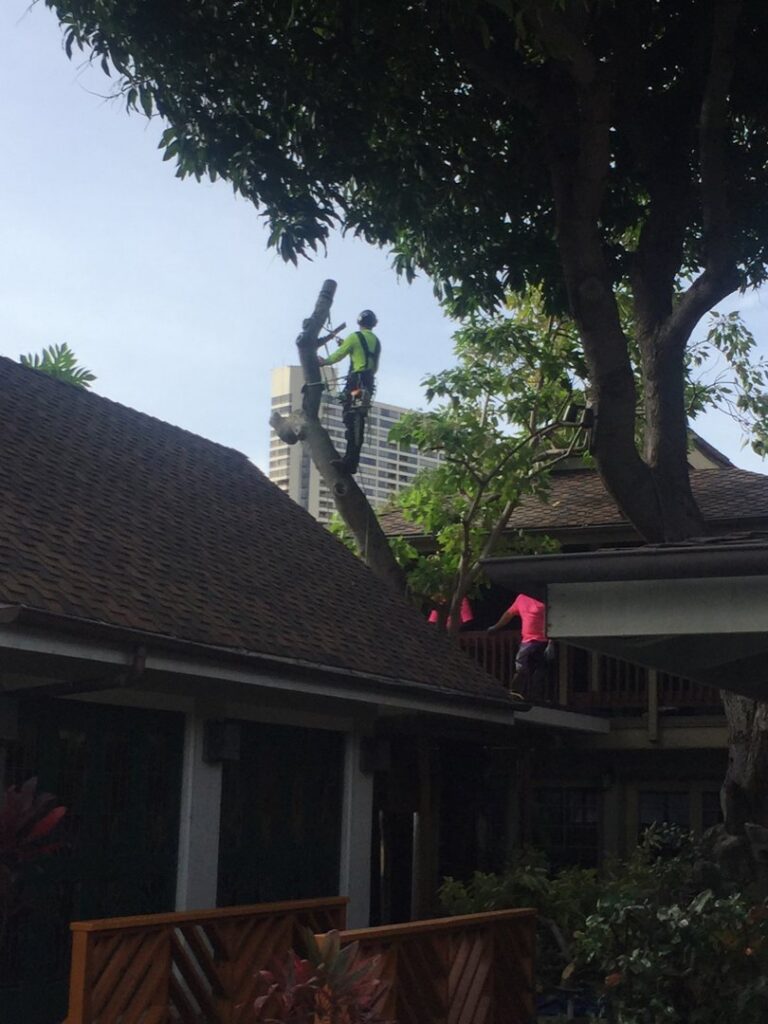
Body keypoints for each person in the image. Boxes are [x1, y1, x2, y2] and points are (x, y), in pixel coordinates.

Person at [318, 310, 381, 474]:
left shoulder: (354, 337)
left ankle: (349, 461)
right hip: (367, 383)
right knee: (358, 419)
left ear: (359, 322)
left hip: (356, 383)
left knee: (351, 417)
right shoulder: (376, 341)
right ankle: (352, 460)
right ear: (374, 323)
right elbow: (368, 359)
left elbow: (340, 354)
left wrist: (325, 361)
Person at [487, 593, 552, 694]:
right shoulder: (521, 598)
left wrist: (551, 642)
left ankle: (533, 695)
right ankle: (516, 693)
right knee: (522, 667)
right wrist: (495, 627)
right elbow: (509, 614)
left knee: (538, 670)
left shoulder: (544, 598)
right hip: (527, 641)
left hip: (543, 641)